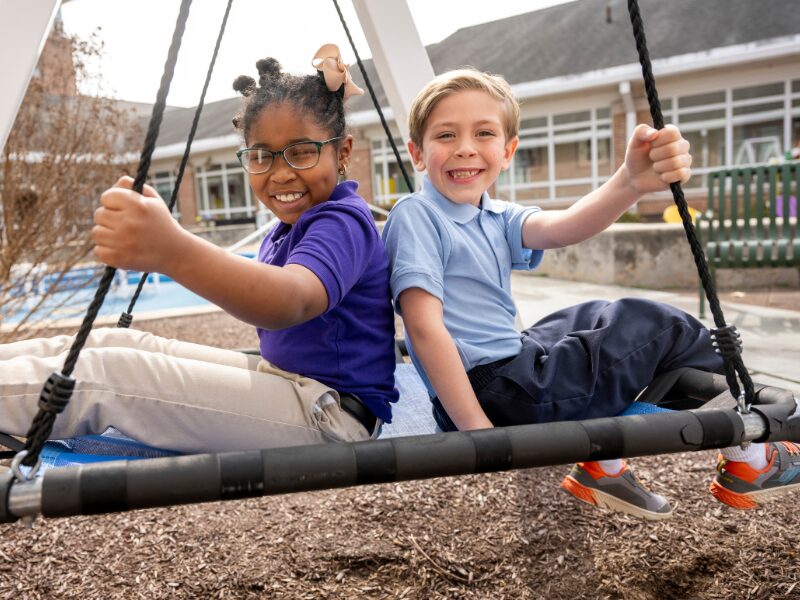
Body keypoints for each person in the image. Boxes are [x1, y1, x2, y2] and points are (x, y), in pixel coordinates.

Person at [382, 68, 800, 520]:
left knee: (593, 314)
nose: (465, 147)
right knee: (656, 326)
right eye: (446, 134)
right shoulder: (417, 215)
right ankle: (751, 461)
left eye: (483, 133)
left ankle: (604, 464)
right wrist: (478, 433)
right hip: (496, 399)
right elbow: (423, 328)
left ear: (507, 152)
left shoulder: (493, 214)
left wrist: (630, 181)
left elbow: (565, 227)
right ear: (417, 154)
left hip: (507, 374)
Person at [0, 45, 398, 454]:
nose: (281, 173)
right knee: (122, 346)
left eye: (301, 152)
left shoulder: (343, 221)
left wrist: (171, 250)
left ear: (343, 151)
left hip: (331, 416)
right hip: (291, 382)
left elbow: (290, 301)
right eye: (261, 156)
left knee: (110, 373)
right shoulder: (291, 226)